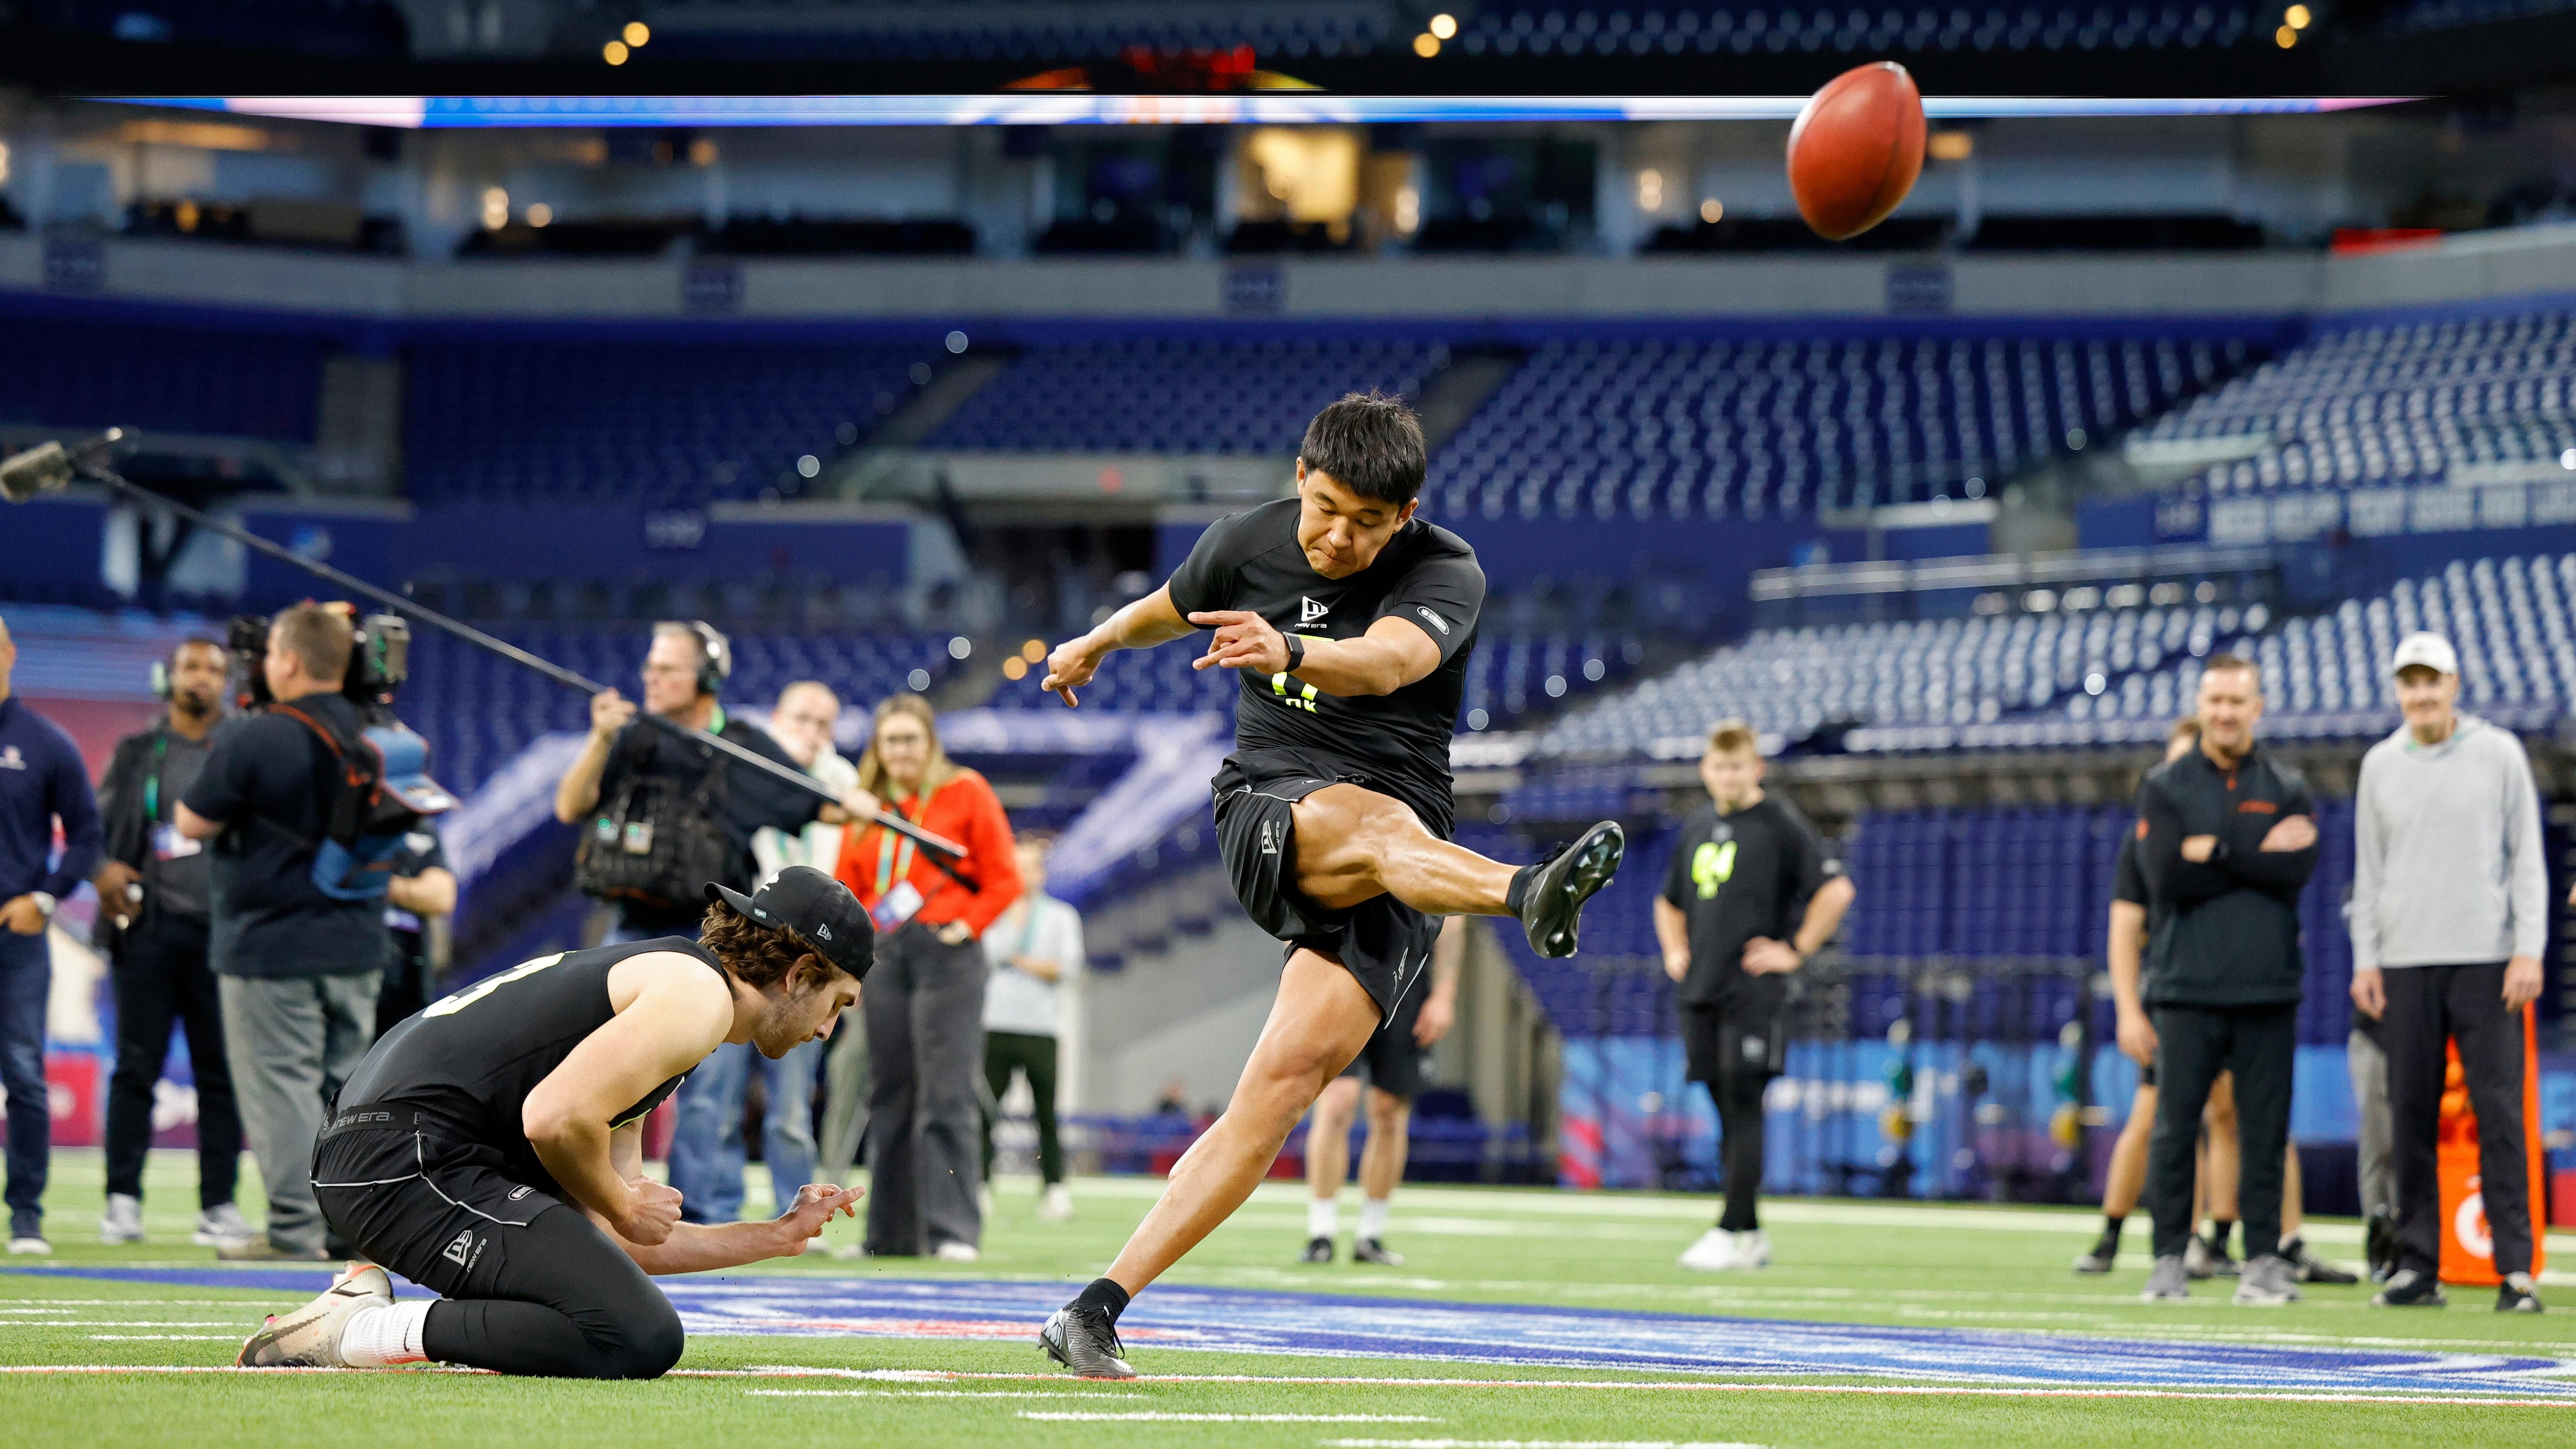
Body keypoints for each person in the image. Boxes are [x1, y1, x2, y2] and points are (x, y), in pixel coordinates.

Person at [1033, 393, 1624, 1377]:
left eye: (1368, 521)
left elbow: (1388, 664)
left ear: (1407, 514)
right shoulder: (1244, 545)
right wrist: (1093, 643)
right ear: (1300, 479)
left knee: (1279, 1093)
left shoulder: (1447, 570)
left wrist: (1293, 649)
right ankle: (1528, 893)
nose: (1339, 537)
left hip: (1402, 842)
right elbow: (1164, 609)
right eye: (1325, 510)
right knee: (1377, 824)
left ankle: (1093, 1309)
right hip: (1273, 804)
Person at [238, 867, 869, 1376]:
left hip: (391, 1153)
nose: (826, 1030)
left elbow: (620, 1241)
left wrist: (775, 1235)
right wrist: (624, 1203)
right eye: (836, 1003)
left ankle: (362, 1319)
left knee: (617, 1314)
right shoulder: (697, 1000)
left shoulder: (673, 990)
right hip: (404, 1159)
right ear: (799, 974)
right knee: (634, 1334)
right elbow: (554, 1119)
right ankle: (360, 1330)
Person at [553, 625, 862, 1225]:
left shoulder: (745, 745)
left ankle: (701, 1215)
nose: (650, 677)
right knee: (602, 1066)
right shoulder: (633, 736)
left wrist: (851, 801)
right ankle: (598, 1204)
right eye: (650, 665)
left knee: (706, 1088)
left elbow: (817, 803)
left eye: (667, 668)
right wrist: (599, 738)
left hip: (712, 941)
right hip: (630, 929)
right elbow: (570, 806)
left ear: (707, 678)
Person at [175, 605, 386, 1263]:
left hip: (268, 944)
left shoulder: (256, 735)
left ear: (288, 661)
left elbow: (190, 821)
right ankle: (349, 1227)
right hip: (357, 940)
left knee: (282, 1087)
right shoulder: (378, 729)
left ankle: (295, 1229)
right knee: (348, 1091)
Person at [2350, 631, 2550, 1312]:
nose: (2421, 694)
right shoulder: (2379, 765)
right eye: (2410, 682)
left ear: (2453, 684)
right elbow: (2369, 871)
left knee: (2499, 1114)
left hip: (2487, 960)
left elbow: (2526, 859)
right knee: (2408, 1115)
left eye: (2431, 680)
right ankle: (2416, 1265)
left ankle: (2515, 1270)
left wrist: (2529, 948)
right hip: (2404, 962)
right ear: (2398, 690)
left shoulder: (2498, 753)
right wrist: (2366, 957)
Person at [2132, 654, 2317, 1307]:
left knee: (2265, 1132)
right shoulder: (2164, 784)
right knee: (2173, 1128)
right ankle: (2167, 1258)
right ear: (2200, 705)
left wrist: (2213, 851)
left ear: (2256, 707)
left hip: (2267, 988)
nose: (2225, 712)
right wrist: (2255, 855)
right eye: (2214, 700)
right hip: (2184, 987)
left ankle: (2262, 1260)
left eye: (2236, 701)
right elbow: (2165, 878)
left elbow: (2294, 872)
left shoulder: (2287, 785)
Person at [1658, 719, 1855, 1273]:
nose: (1727, 776)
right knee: (1725, 1108)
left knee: (1744, 1103)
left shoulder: (1778, 821)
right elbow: (1668, 901)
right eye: (1719, 767)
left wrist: (1795, 949)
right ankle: (1748, 1232)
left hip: (1751, 990)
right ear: (1705, 770)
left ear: (1757, 768)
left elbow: (1835, 889)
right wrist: (1675, 949)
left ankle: (1729, 1229)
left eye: (1737, 766)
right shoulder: (1698, 824)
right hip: (1701, 987)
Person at [832, 695, 1021, 1260]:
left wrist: (967, 927)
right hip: (887, 956)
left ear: (930, 742)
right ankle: (887, 1238)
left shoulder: (966, 791)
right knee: (888, 1093)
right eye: (890, 740)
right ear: (877, 748)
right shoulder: (867, 809)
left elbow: (1004, 877)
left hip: (948, 956)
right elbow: (845, 888)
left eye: (910, 739)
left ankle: (951, 1232)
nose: (901, 751)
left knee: (946, 1094)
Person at [664, 681, 855, 1223]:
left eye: (823, 723)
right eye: (800, 718)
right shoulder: (743, 770)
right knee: (712, 1091)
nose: (811, 732)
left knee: (792, 1103)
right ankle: (705, 1210)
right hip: (745, 955)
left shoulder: (843, 784)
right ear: (776, 717)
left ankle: (796, 1212)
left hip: (813, 964)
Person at [92, 637, 250, 1249]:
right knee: (136, 1068)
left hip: (224, 936)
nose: (201, 678)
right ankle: (121, 1200)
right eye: (191, 666)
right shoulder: (138, 751)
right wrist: (106, 870)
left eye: (213, 668)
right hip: (149, 930)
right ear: (170, 676)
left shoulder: (241, 751)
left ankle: (219, 1205)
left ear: (227, 680)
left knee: (220, 1075)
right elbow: (98, 831)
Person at [0, 613, 104, 1255]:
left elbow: (87, 835)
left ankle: (26, 1215)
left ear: (10, 652)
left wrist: (45, 898)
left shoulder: (45, 743)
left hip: (16, 938)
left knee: (24, 1074)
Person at [1300, 913, 1462, 1267]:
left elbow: (1451, 917)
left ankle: (1370, 1235)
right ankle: (1321, 1232)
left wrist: (1444, 994)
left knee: (1389, 1111)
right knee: (1337, 1102)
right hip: (1345, 970)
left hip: (1409, 977)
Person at [981, 834, 1083, 1224]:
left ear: (1041, 873)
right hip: (995, 1022)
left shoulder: (1061, 916)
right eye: (1016, 867)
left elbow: (1067, 968)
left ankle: (1054, 1189)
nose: (1022, 875)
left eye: (1029, 867)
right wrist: (1030, 957)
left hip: (1041, 1027)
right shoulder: (995, 910)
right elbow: (986, 954)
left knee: (1046, 1114)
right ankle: (980, 1185)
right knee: (986, 1111)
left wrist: (1019, 961)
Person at [375, 824, 457, 1036]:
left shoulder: (414, 823)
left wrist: (380, 883)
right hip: (351, 974)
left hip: (408, 980)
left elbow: (442, 897)